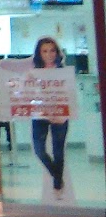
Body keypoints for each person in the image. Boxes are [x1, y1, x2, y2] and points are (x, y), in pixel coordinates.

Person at [31, 36, 69, 192]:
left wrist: (62, 115)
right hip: (40, 114)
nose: (49, 54)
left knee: (58, 151)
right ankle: (57, 176)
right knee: (39, 150)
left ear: (57, 52)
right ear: (39, 53)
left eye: (52, 50)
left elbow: (70, 96)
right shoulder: (33, 73)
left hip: (59, 115)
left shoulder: (63, 72)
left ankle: (57, 186)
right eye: (45, 51)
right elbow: (25, 94)